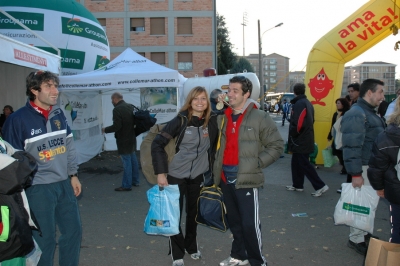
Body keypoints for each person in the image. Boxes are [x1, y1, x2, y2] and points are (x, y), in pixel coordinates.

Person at [2, 70, 82, 266]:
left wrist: (73, 174)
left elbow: (69, 145)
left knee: (73, 232)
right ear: (34, 90)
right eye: (49, 86)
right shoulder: (17, 119)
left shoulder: (59, 113)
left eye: (55, 85)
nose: (55, 90)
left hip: (63, 183)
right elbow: (11, 161)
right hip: (37, 188)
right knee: (44, 240)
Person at [213, 76, 283, 266]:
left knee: (249, 224)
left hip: (246, 177)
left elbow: (277, 146)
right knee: (234, 222)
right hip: (225, 177)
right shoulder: (223, 116)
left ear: (247, 94)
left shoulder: (259, 116)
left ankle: (257, 261)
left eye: (236, 90)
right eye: (229, 90)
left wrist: (257, 163)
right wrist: (218, 104)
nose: (231, 94)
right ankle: (238, 255)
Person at [151, 86, 218, 266]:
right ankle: (177, 253)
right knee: (175, 215)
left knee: (193, 214)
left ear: (207, 102)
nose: (199, 102)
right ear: (190, 101)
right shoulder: (180, 121)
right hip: (175, 175)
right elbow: (157, 144)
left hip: (197, 175)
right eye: (196, 98)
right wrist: (161, 173)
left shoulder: (211, 122)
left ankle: (192, 246)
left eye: (203, 99)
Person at [341, 78, 386, 255]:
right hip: (364, 168)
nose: (382, 96)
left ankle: (363, 233)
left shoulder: (368, 112)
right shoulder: (358, 113)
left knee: (368, 205)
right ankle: (356, 238)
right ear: (370, 92)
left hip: (371, 167)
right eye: (381, 92)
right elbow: (352, 146)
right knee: (361, 205)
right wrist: (356, 173)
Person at [286, 83, 329, 197]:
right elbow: (309, 120)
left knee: (304, 163)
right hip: (305, 137)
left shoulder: (299, 104)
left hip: (300, 138)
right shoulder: (307, 103)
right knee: (296, 162)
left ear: (294, 91)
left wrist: (293, 133)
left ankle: (320, 185)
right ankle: (297, 184)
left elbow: (299, 123)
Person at [367, 98, 400, 244]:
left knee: (398, 229)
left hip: (396, 190)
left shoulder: (387, 135)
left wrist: (380, 187)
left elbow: (377, 166)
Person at [102, 92, 139, 191]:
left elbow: (117, 126)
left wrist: (105, 129)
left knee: (127, 161)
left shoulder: (117, 109)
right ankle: (135, 180)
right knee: (133, 159)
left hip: (123, 140)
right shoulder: (130, 106)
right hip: (132, 137)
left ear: (115, 99)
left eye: (111, 100)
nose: (111, 102)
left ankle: (127, 185)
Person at [327, 98, 350, 186]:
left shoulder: (347, 113)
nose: (337, 105)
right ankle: (343, 164)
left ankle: (345, 167)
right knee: (336, 151)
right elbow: (332, 126)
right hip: (336, 135)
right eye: (336, 103)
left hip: (343, 135)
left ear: (343, 104)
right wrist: (330, 135)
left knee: (343, 151)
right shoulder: (335, 114)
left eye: (339, 103)